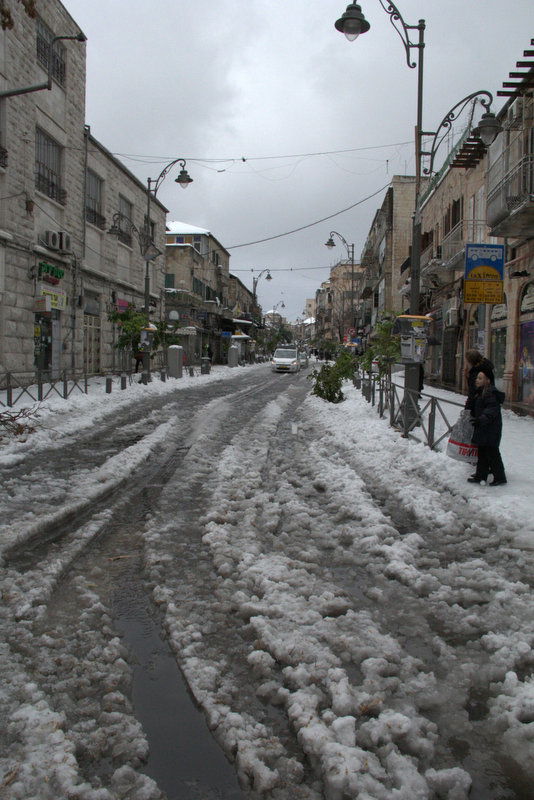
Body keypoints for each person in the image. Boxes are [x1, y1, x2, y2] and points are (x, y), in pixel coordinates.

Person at [466, 365, 507, 486]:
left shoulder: (490, 393)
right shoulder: (480, 392)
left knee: (493, 454)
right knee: (482, 453)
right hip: (483, 428)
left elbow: (491, 411)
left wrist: (481, 419)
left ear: (488, 380)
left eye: (480, 378)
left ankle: (500, 477)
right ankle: (480, 476)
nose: (476, 380)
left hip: (490, 429)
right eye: (477, 378)